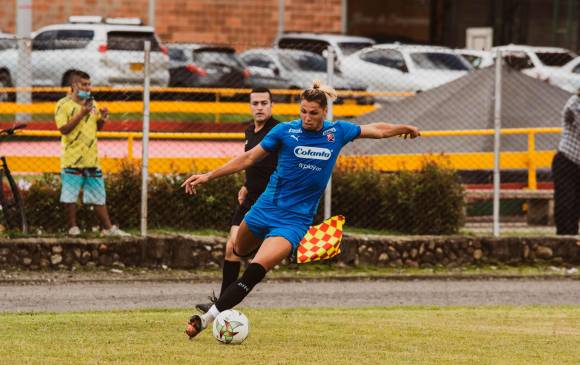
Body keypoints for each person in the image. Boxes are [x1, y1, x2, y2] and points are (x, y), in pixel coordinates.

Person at [181, 80, 420, 338]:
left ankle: (205, 320)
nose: (307, 117)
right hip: (265, 207)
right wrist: (208, 176)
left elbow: (376, 129)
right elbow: (249, 157)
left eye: (313, 113)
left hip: (293, 222)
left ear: (324, 112)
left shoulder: (337, 132)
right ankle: (224, 301)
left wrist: (402, 128)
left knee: (253, 273)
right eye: (303, 111)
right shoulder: (285, 131)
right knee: (237, 249)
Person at [195, 88, 279, 313]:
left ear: (272, 105)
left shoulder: (278, 131)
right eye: (255, 103)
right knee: (230, 249)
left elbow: (280, 165)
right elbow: (250, 162)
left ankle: (224, 303)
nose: (259, 107)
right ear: (250, 106)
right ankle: (222, 304)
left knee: (236, 248)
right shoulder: (249, 130)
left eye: (264, 103)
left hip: (267, 201)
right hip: (249, 197)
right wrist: (245, 184)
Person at [54, 70, 129, 237]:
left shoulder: (92, 104)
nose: (88, 88)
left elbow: (97, 129)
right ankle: (72, 228)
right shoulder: (62, 105)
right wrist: (81, 114)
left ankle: (107, 228)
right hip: (72, 159)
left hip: (92, 158)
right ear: (74, 85)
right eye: (84, 84)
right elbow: (63, 129)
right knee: (70, 195)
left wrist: (102, 119)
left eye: (89, 84)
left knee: (98, 194)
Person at [552, 88, 580, 235]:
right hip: (567, 160)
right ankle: (563, 240)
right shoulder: (574, 104)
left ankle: (573, 242)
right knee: (565, 203)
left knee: (576, 206)